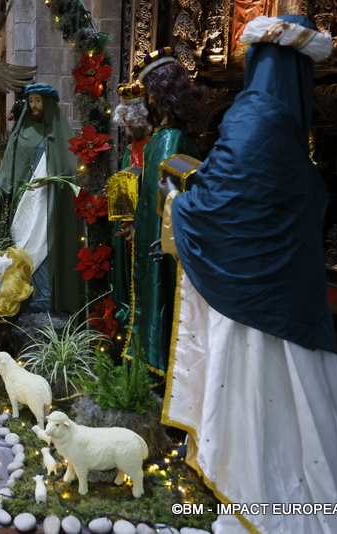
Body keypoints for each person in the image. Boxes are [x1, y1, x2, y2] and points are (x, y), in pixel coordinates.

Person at [155, 16, 337, 533]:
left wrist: (178, 205)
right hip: (290, 293)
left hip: (245, 297)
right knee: (305, 400)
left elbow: (221, 199)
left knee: (250, 393)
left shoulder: (252, 114)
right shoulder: (291, 128)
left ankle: (253, 488)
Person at [121, 48, 203, 375]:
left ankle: (155, 365)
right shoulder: (164, 136)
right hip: (157, 234)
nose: (150, 101)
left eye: (152, 92)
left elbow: (166, 197)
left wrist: (152, 232)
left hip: (163, 238)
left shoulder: (168, 139)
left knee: (161, 294)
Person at [0, 84, 85, 314]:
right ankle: (25, 298)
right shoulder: (23, 131)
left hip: (49, 202)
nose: (34, 106)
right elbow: (10, 163)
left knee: (46, 246)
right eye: (31, 101)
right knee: (23, 244)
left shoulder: (60, 132)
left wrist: (51, 179)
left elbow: (72, 168)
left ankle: (46, 300)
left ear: (48, 103)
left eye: (38, 101)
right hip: (25, 201)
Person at [109, 81, 154, 324]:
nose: (126, 130)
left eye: (129, 125)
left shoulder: (154, 145)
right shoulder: (132, 147)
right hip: (127, 221)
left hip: (143, 223)